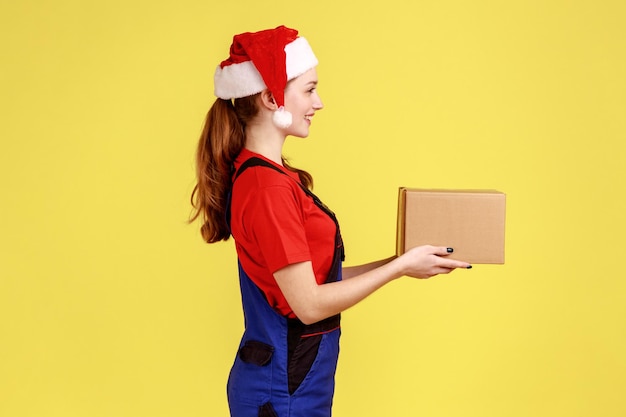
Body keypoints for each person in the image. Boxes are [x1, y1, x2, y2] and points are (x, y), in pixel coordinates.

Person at [190, 25, 471, 417]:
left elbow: (318, 280)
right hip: (282, 390)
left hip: (293, 381)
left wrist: (402, 262)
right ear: (272, 98)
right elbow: (308, 305)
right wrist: (401, 267)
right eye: (308, 90)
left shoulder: (272, 177)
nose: (318, 102)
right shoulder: (267, 188)